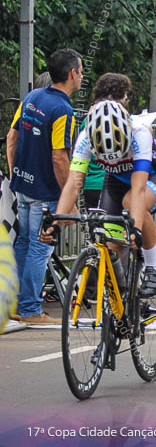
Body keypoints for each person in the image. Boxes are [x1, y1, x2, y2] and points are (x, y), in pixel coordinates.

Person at [47, 97, 156, 300]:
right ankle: (121, 303)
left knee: (131, 203)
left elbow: (139, 188)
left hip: (153, 176)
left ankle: (153, 266)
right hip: (115, 182)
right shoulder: (85, 138)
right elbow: (73, 184)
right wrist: (57, 222)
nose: (113, 157)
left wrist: (136, 230)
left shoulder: (139, 133)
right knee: (110, 246)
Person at [6, 49, 81, 325]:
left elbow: (11, 136)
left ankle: (14, 304)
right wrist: (68, 198)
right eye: (81, 71)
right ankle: (30, 309)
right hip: (45, 193)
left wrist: (15, 175)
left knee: (24, 244)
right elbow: (59, 156)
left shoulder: (33, 97)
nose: (81, 76)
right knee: (41, 248)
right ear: (72, 73)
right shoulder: (63, 109)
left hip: (24, 186)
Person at [79, 74, 132, 209]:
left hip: (92, 185)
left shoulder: (88, 122)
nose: (126, 101)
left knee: (96, 229)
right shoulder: (126, 123)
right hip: (117, 185)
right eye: (125, 97)